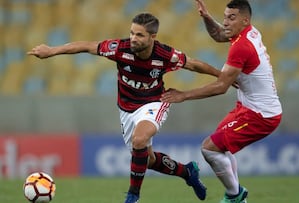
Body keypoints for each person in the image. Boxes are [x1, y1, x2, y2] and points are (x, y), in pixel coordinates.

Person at [27, 13, 217, 203]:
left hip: (154, 102)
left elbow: (194, 65)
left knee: (140, 139)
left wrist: (223, 77)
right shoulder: (119, 48)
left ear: (152, 37)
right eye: (132, 33)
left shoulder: (166, 55)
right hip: (127, 109)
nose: (134, 38)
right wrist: (52, 50)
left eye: (140, 35)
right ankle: (187, 172)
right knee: (146, 159)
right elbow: (86, 46)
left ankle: (132, 196)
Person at [161, 0, 282, 202]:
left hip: (261, 115)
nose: (225, 22)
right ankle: (237, 194)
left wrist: (183, 95)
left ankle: (235, 196)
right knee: (218, 145)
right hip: (247, 107)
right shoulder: (250, 32)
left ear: (245, 20)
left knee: (209, 148)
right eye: (225, 17)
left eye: (231, 18)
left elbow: (221, 87)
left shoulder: (241, 46)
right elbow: (218, 35)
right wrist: (208, 18)